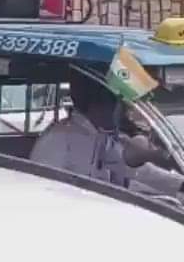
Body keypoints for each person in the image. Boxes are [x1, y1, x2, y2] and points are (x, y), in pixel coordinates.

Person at [30, 69, 183, 195]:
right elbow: (41, 188)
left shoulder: (104, 138)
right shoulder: (57, 140)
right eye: (118, 105)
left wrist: (178, 184)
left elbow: (136, 171)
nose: (123, 112)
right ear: (99, 104)